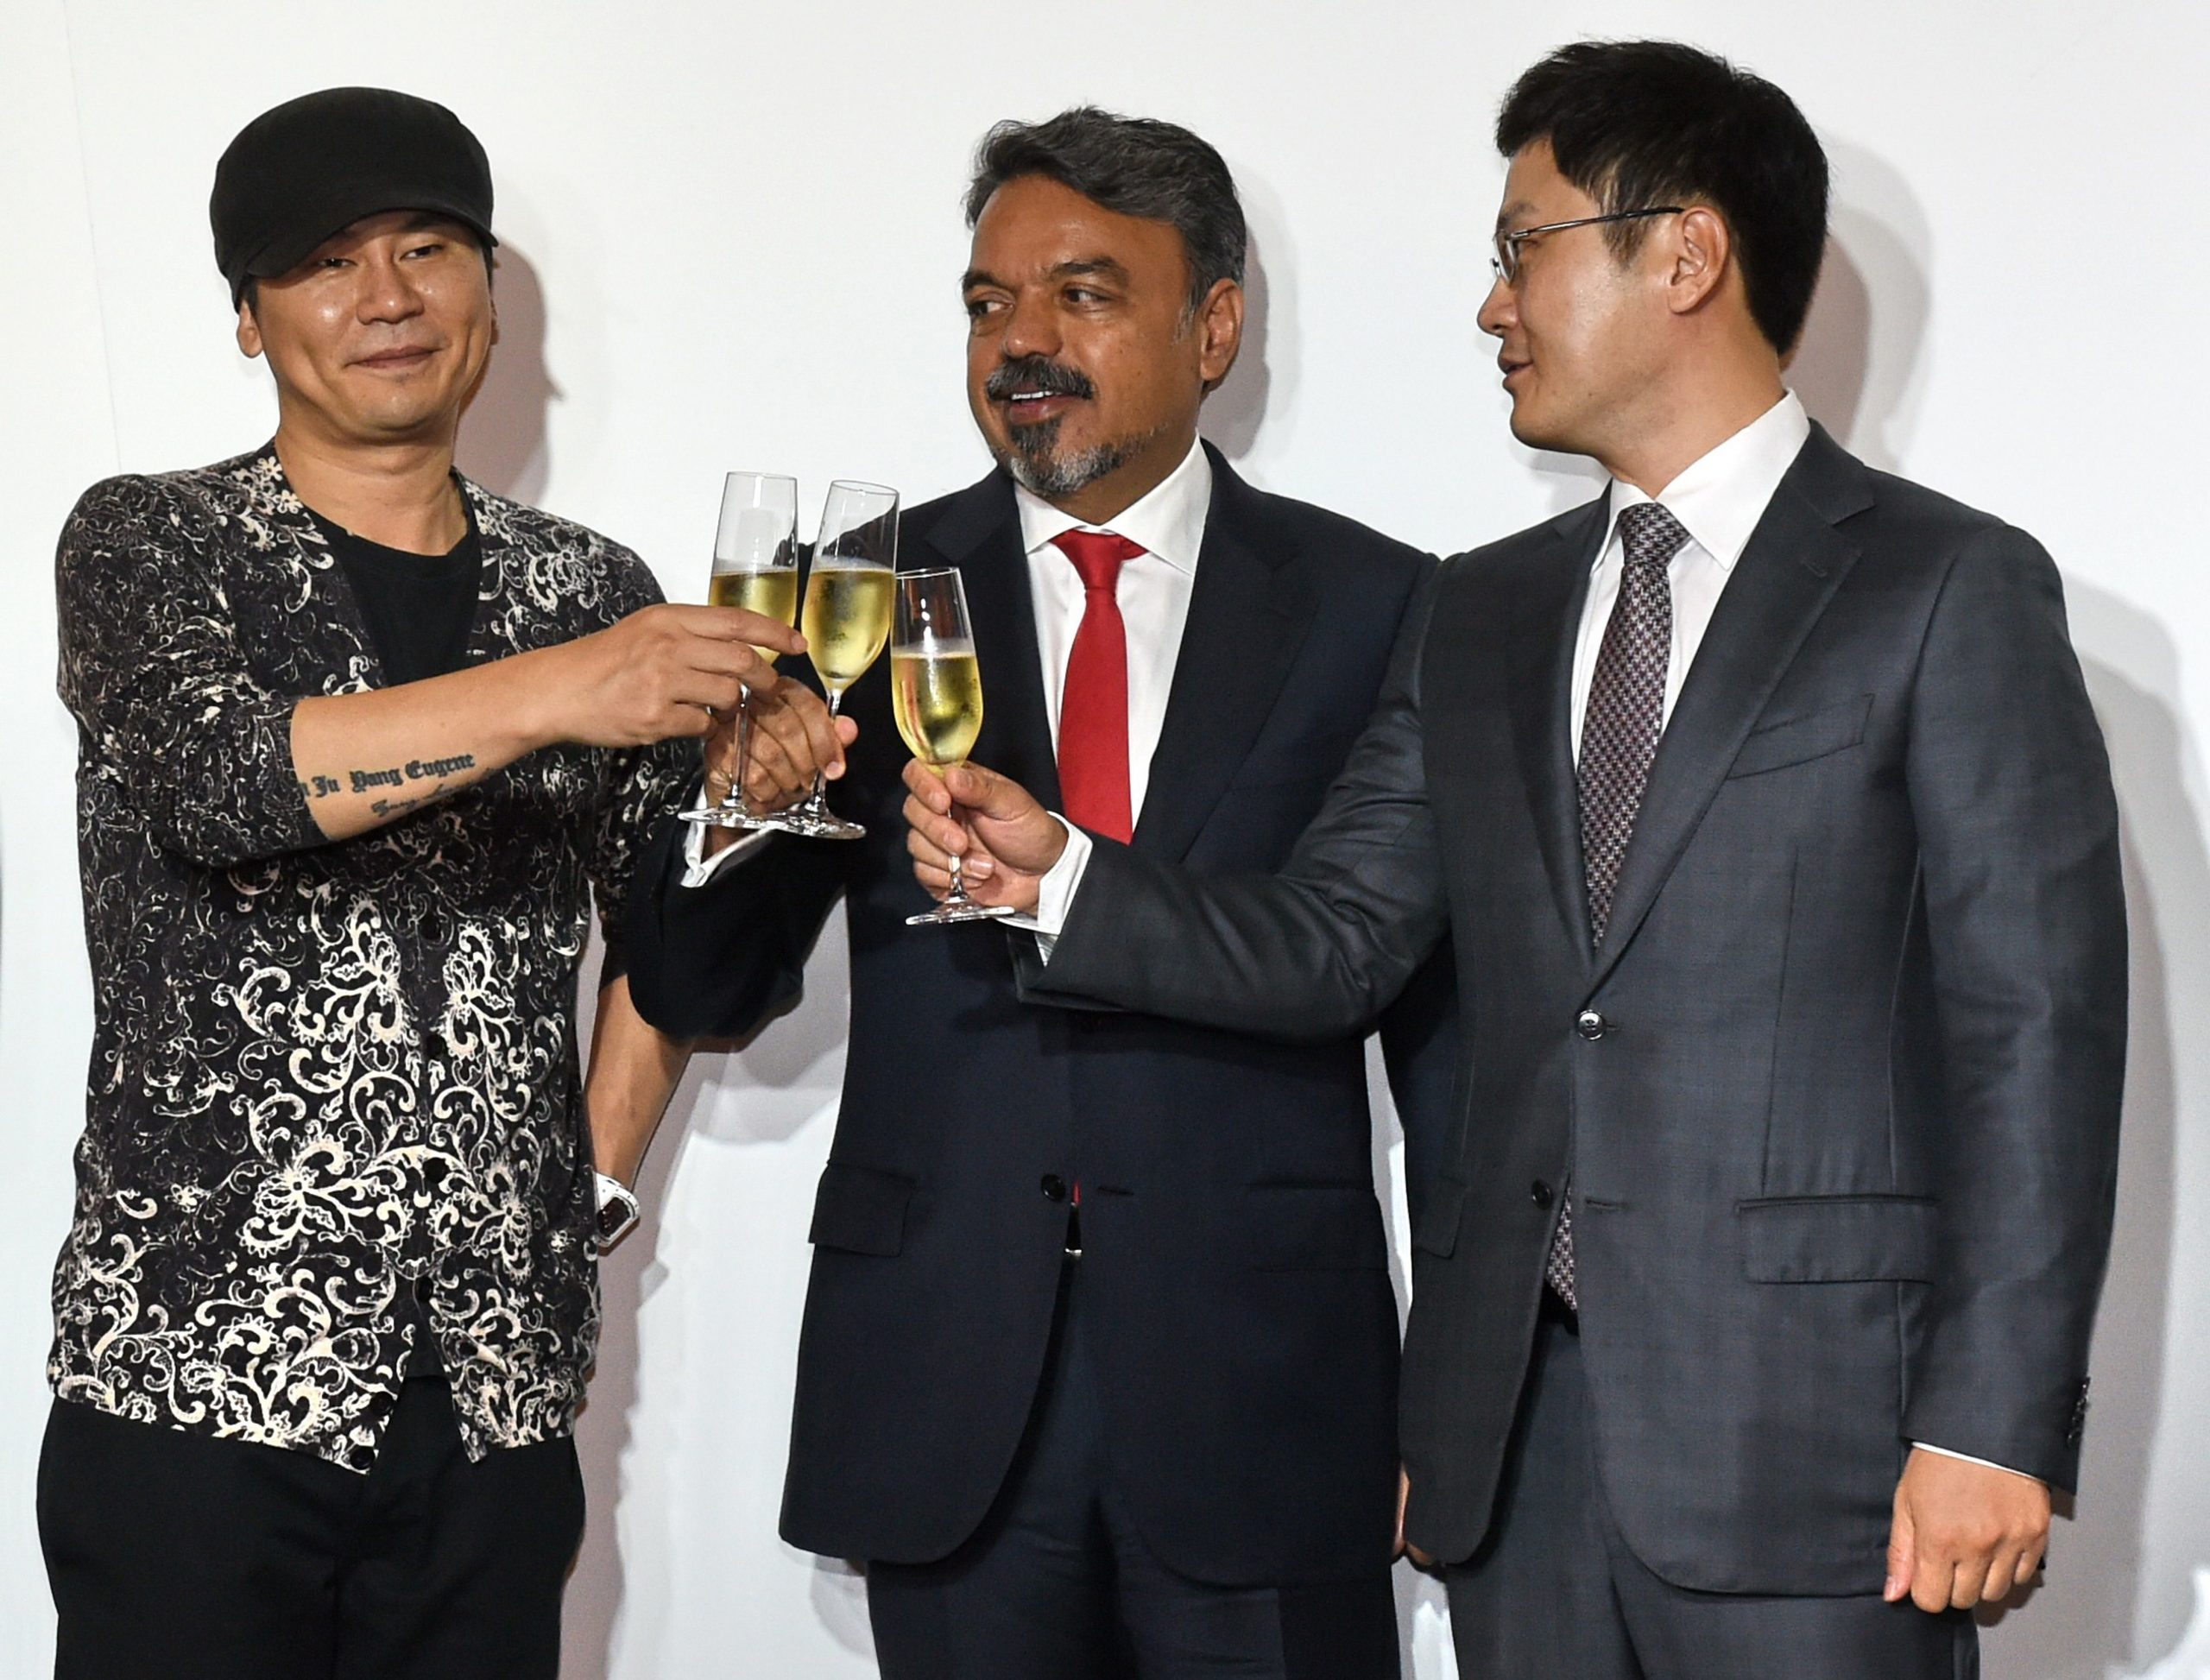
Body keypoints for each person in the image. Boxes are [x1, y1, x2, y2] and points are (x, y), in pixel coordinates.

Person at [902, 42, 2126, 1680]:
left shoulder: (1944, 586)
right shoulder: (1481, 608)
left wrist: (1993, 1420)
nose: (1492, 305)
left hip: (1827, 1461)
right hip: (1520, 1466)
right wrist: (1057, 876)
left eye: (1522, 249)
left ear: (1684, 254)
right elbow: (1338, 940)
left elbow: (2035, 1032)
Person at [623, 107, 1454, 1679]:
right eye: (989, 301)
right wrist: (742, 806)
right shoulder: (851, 591)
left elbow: (1425, 1025)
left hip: (1268, 1396)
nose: (1023, 341)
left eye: (1083, 294)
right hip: (944, 1387)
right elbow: (707, 987)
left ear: (1215, 327)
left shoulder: (1380, 603)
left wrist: (1458, 1395)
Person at [39, 85, 842, 1680]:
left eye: (427, 248)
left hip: (492, 1394)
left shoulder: (586, 587)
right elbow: (222, 783)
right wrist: (570, 690)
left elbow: (683, 964)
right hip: (196, 1377)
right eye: (329, 261)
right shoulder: (153, 541)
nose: (388, 296)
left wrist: (748, 821)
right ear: (252, 318)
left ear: (488, 295)